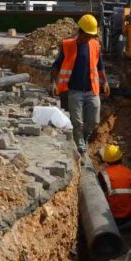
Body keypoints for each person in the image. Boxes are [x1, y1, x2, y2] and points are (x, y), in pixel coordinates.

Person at [50, 14, 111, 155]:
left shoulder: (95, 46)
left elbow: (100, 66)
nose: (89, 38)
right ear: (80, 31)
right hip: (75, 91)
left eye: (91, 36)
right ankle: (80, 144)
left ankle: (84, 137)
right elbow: (56, 66)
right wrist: (53, 83)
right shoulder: (68, 46)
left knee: (94, 121)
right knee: (77, 122)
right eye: (87, 35)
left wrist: (105, 81)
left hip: (92, 90)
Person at [98, 144, 131, 229]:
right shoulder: (129, 172)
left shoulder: (103, 174)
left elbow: (99, 195)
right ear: (121, 158)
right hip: (129, 215)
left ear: (106, 161)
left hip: (113, 216)